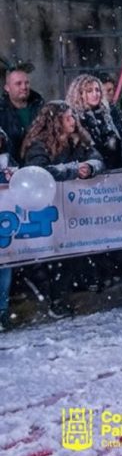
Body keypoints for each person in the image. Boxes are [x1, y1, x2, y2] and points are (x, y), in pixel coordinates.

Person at [20, 101, 104, 317]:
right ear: (55, 121)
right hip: (48, 208)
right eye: (68, 118)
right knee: (52, 257)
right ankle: (54, 299)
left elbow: (97, 158)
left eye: (73, 117)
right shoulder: (39, 144)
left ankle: (66, 293)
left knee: (70, 255)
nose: (73, 122)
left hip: (74, 207)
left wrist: (91, 167)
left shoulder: (79, 140)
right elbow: (39, 172)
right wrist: (74, 170)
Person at [66, 74, 122, 170]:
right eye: (89, 91)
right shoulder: (73, 118)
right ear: (80, 94)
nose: (95, 94)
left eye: (97, 90)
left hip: (112, 170)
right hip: (87, 173)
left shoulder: (106, 114)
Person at [0, 67, 44, 159]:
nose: (24, 87)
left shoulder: (41, 107)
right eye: (18, 83)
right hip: (10, 167)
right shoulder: (2, 111)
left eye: (26, 83)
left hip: (38, 163)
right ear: (7, 88)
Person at [0, 127, 18, 329]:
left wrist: (12, 175)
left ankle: (2, 311)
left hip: (4, 220)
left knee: (5, 265)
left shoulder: (6, 160)